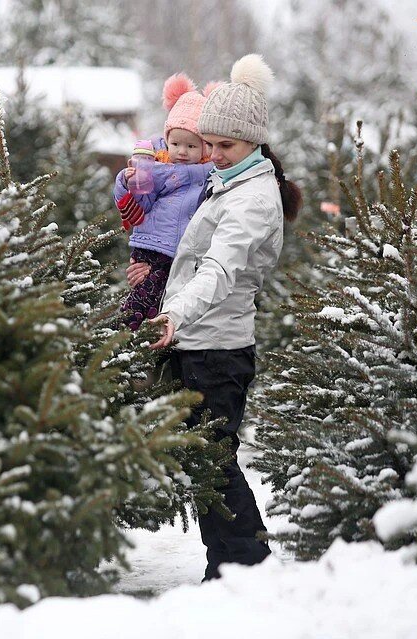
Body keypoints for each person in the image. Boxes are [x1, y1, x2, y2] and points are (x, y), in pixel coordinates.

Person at [129, 53, 303, 581]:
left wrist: (173, 312)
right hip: (196, 338)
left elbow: (220, 268)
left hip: (217, 347)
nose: (214, 155)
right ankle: (224, 569)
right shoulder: (228, 181)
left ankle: (249, 567)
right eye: (210, 145)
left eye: (224, 146)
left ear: (251, 140)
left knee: (215, 462)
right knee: (205, 462)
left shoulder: (251, 199)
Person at [113, 73, 217, 331]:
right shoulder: (156, 167)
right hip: (151, 247)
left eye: (191, 146)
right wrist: (127, 181)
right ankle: (125, 337)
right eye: (176, 143)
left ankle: (148, 340)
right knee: (144, 298)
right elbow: (141, 204)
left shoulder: (211, 174)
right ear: (166, 139)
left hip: (180, 255)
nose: (182, 152)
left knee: (165, 301)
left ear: (205, 147)